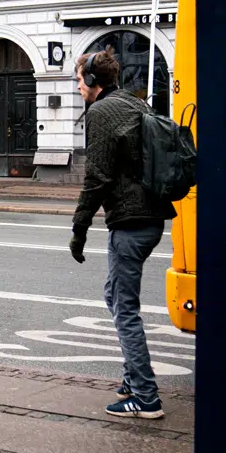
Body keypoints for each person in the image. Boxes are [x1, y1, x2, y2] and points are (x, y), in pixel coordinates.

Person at [69, 47, 177, 419]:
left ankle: (146, 396)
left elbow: (97, 176)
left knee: (124, 309)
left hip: (130, 222)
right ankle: (132, 380)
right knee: (115, 296)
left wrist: (78, 228)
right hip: (151, 218)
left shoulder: (101, 111)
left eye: (79, 80)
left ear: (93, 81)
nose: (78, 87)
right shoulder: (135, 104)